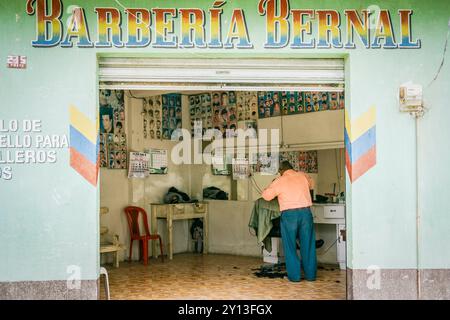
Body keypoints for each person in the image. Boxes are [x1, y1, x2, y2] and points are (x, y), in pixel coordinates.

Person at [261, 160, 317, 282]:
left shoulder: (279, 181)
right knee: (308, 245)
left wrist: (269, 186)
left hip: (289, 215)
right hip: (305, 214)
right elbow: (312, 185)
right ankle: (311, 275)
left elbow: (266, 196)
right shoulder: (302, 176)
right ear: (292, 168)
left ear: (281, 170)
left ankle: (295, 276)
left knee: (290, 246)